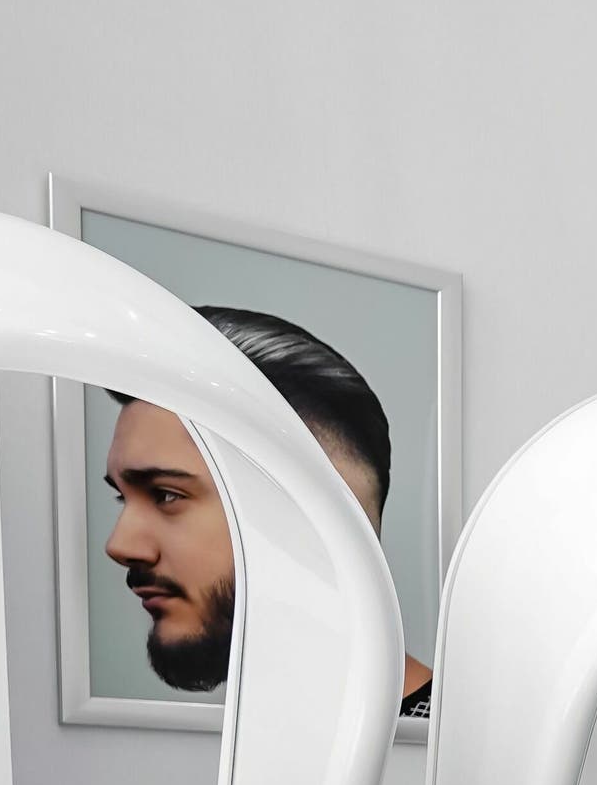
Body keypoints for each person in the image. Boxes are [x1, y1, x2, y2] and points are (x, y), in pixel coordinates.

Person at [102, 304, 431, 713]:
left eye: (167, 495)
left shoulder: (458, 758)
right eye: (122, 496)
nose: (120, 545)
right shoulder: (268, 742)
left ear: (318, 513)